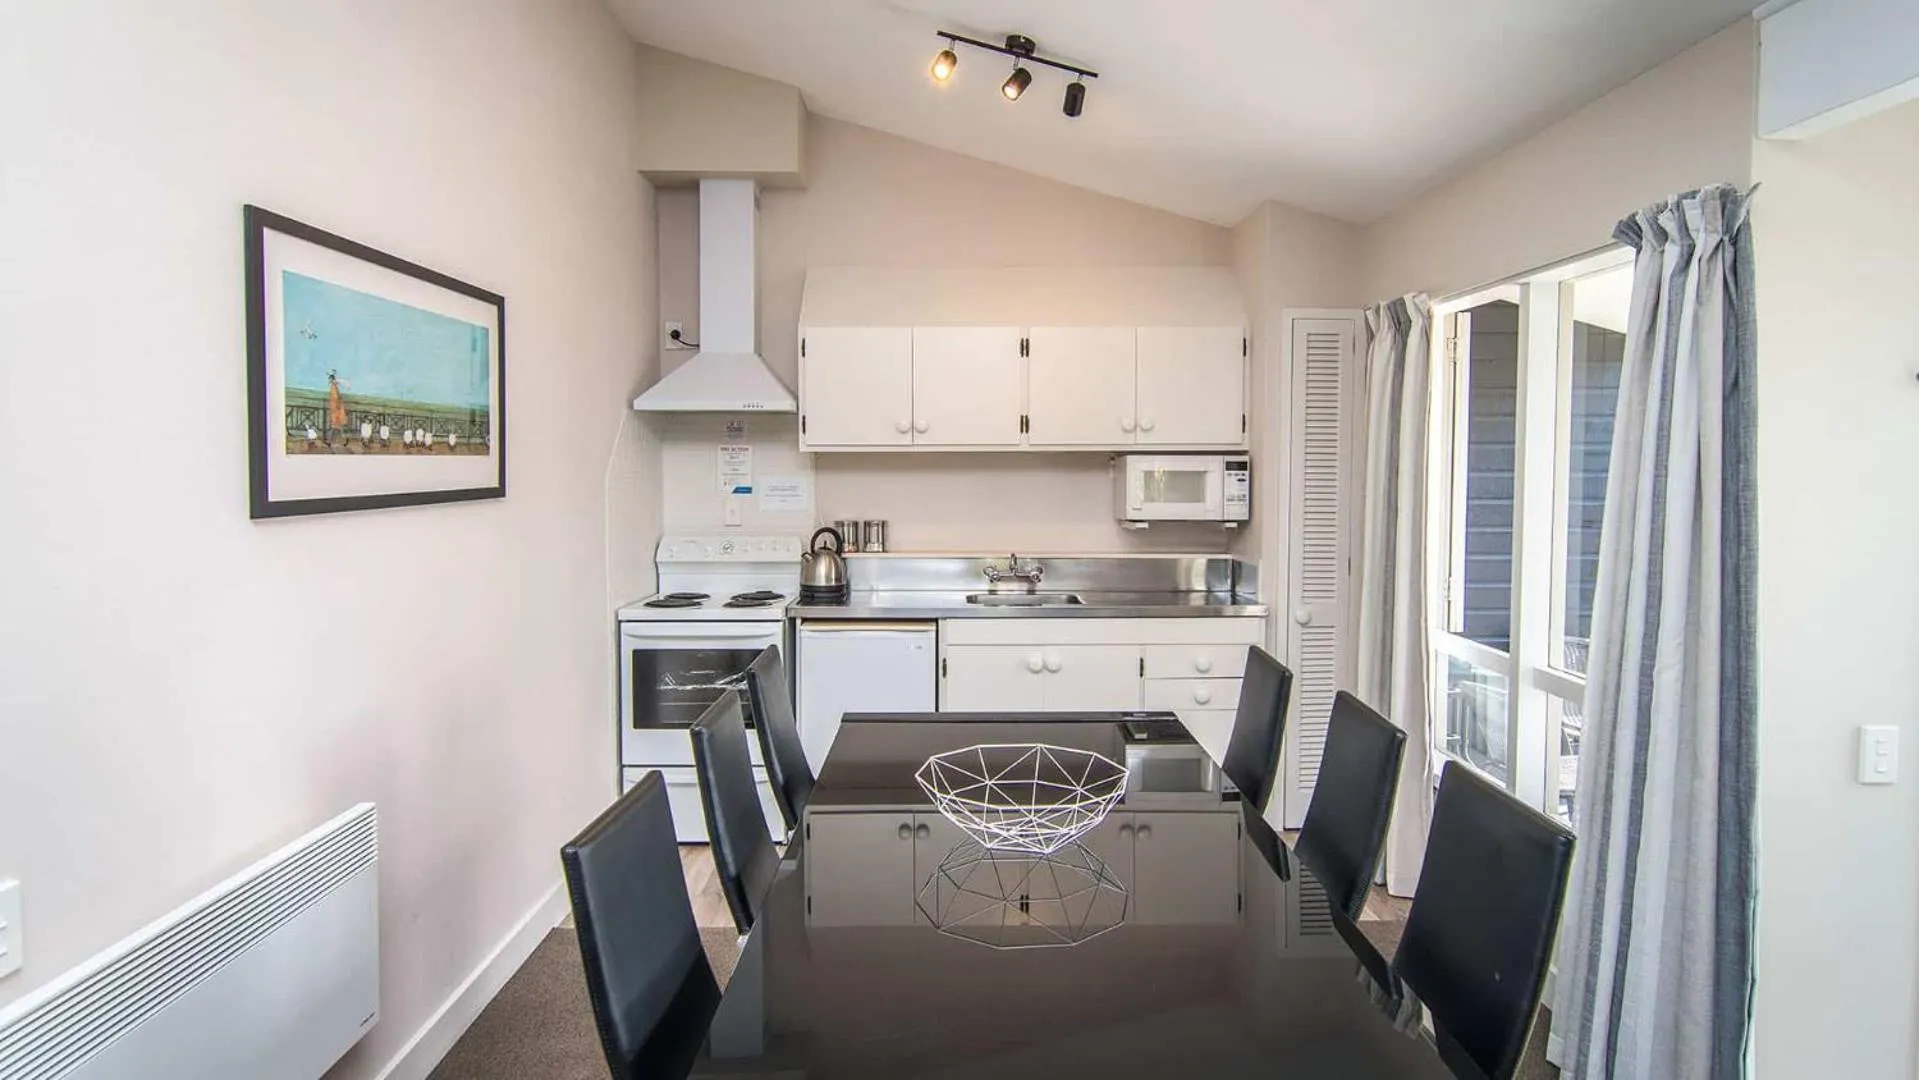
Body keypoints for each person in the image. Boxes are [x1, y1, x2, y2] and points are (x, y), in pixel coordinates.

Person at [325, 370, 348, 449]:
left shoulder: (334, 387)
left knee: (335, 427)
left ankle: (330, 441)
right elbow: (336, 398)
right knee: (337, 427)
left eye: (330, 379)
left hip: (336, 410)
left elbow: (335, 399)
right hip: (336, 410)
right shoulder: (334, 387)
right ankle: (342, 441)